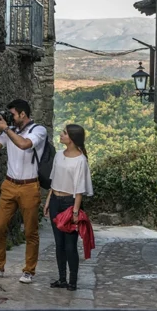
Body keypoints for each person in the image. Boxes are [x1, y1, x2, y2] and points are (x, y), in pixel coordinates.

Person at [0, 99, 50, 284]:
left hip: (29, 186)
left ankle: (29, 271)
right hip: (10, 184)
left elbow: (25, 145)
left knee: (30, 232)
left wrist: (6, 129)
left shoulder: (38, 130)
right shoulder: (9, 131)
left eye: (12, 114)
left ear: (23, 114)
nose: (10, 117)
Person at [43, 124, 93, 292]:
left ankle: (73, 281)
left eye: (64, 133)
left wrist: (75, 211)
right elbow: (53, 180)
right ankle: (62, 278)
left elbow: (79, 189)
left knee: (70, 245)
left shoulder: (80, 160)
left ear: (71, 138)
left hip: (69, 203)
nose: (61, 134)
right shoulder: (58, 156)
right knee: (59, 243)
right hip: (56, 200)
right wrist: (49, 200)